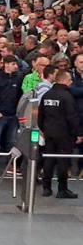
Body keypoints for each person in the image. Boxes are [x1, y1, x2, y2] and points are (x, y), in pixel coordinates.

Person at [38, 70, 81, 198]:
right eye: (69, 80)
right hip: (64, 134)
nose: (71, 82)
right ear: (63, 80)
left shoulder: (47, 95)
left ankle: (47, 188)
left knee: (49, 160)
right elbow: (72, 117)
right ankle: (62, 189)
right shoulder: (67, 97)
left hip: (49, 133)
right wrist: (79, 133)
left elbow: (41, 115)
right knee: (63, 162)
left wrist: (43, 129)